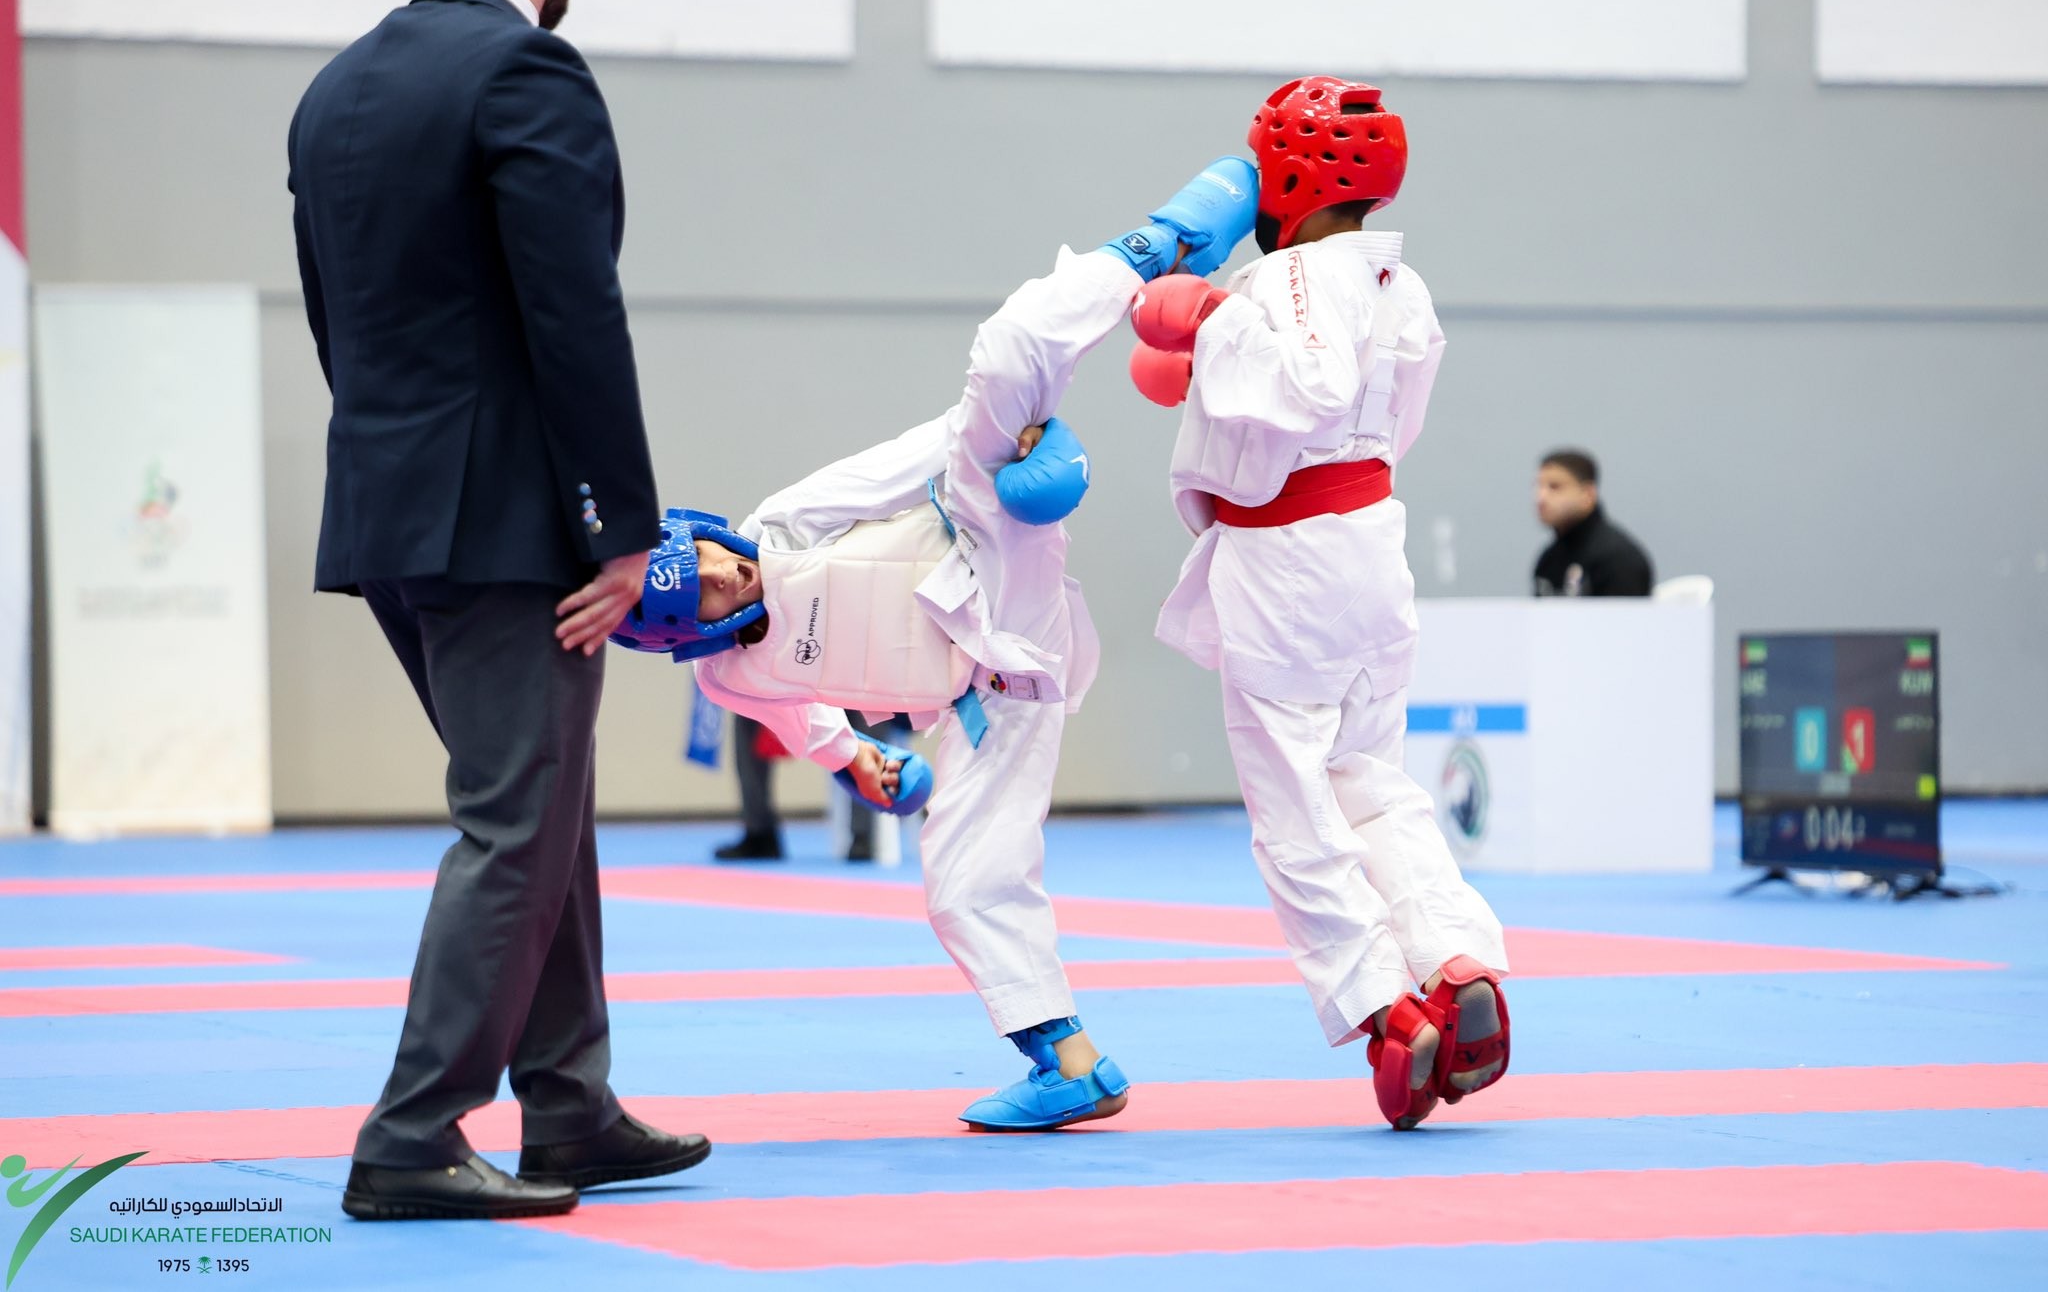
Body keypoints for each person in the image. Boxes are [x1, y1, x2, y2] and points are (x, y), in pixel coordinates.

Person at [610, 159, 1259, 1130]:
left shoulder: (779, 523)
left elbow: (915, 458)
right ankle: (1071, 1065)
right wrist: (864, 763)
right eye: (701, 591)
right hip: (995, 693)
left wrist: (1012, 446)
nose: (721, 572)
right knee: (960, 884)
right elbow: (806, 720)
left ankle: (1160, 242)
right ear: (688, 634)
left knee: (1005, 353)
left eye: (703, 555)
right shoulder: (733, 675)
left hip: (984, 550)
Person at [289, 0, 706, 1221]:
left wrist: (400, 469)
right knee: (518, 818)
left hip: (390, 511)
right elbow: (574, 309)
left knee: (542, 802)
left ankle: (569, 1104)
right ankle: (412, 1132)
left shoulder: (336, 90)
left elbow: (334, 321)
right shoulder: (524, 71)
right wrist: (620, 525)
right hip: (509, 524)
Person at [1132, 77, 1512, 1130]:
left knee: (1292, 805)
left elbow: (1303, 384)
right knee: (1370, 784)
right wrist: (1210, 358)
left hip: (1287, 561)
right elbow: (1377, 416)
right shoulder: (1402, 283)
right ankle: (1455, 957)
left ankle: (1388, 1009)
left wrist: (1214, 321)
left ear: (1289, 179)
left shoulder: (1288, 277)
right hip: (1370, 543)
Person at [720, 710, 911, 862]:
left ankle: (863, 835)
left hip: (870, 689)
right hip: (812, 684)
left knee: (865, 704)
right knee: (748, 708)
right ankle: (759, 832)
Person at [1532, 449, 1654, 596]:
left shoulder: (1618, 560)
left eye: (1555, 487)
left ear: (1588, 495)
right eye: (1538, 486)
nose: (1541, 498)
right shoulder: (1548, 560)